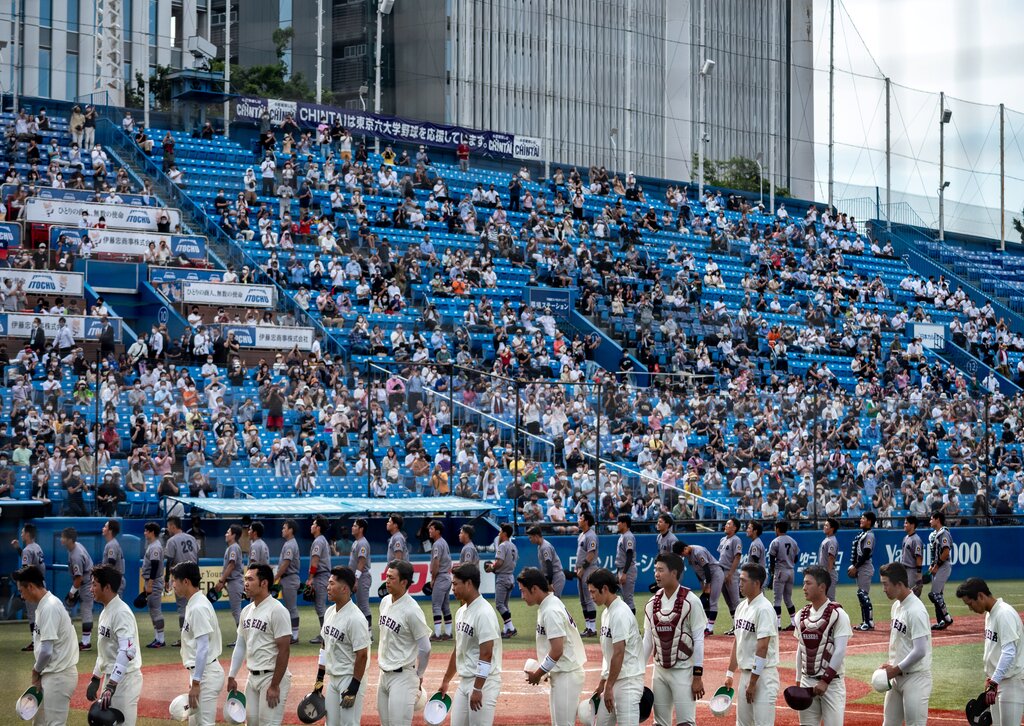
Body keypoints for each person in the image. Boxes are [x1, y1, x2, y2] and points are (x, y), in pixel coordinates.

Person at [642, 553, 707, 726]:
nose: (656, 574)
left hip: (683, 672)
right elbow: (648, 640)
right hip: (659, 672)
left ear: (674, 572)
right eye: (655, 570)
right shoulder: (652, 603)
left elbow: (699, 639)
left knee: (685, 723)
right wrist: (637, 672)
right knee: (659, 723)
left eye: (661, 570)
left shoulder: (691, 601)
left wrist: (697, 676)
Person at [518, 567, 587, 726]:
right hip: (563, 673)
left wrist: (538, 673)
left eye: (523, 591)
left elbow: (557, 650)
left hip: (567, 674)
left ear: (534, 588)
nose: (522, 596)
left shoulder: (550, 610)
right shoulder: (548, 603)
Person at [228, 564, 293, 726]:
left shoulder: (277, 610)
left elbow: (284, 650)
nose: (246, 583)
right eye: (245, 579)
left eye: (250, 579)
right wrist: (231, 675)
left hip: (272, 677)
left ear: (264, 583)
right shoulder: (246, 611)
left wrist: (275, 685)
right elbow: (241, 645)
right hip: (252, 678)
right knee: (251, 723)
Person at [438, 563, 503, 725]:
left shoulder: (484, 613)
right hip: (465, 681)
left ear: (468, 584)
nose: (452, 588)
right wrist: (446, 680)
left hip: (484, 683)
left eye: (455, 584)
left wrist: (478, 688)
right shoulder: (461, 612)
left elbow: (486, 653)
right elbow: (458, 649)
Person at [14, 564, 79, 726]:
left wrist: (36, 671)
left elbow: (46, 650)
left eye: (22, 591)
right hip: (51, 674)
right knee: (40, 723)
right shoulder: (44, 605)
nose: (21, 596)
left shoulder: (49, 607)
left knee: (54, 724)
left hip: (59, 675)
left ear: (31, 587)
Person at [956, 577, 1024, 726]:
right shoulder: (990, 614)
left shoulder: (1004, 614)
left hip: (1011, 683)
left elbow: (1009, 652)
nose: (970, 608)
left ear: (980, 595)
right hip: (997, 683)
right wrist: (991, 681)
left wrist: (994, 681)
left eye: (970, 603)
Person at [793, 565, 852, 726]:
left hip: (832, 684)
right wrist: (798, 679)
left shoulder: (838, 615)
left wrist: (825, 681)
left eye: (808, 583)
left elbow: (839, 651)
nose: (804, 588)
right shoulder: (801, 615)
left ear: (822, 587)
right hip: (807, 681)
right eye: (804, 583)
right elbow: (801, 648)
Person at [377, 559, 432, 724]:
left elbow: (425, 647)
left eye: (392, 577)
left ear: (404, 582)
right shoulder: (385, 602)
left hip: (403, 677)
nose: (387, 580)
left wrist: (419, 674)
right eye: (387, 576)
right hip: (384, 674)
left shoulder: (412, 610)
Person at [724, 563, 780, 726]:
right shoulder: (741, 607)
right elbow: (738, 641)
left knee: (762, 723)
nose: (739, 583)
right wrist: (729, 673)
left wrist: (753, 682)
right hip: (746, 675)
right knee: (743, 724)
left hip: (763, 676)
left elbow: (762, 647)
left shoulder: (764, 609)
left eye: (743, 580)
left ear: (756, 583)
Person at [171, 561, 225, 726]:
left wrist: (196, 683)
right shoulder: (194, 603)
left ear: (185, 581)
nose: (172, 584)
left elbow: (203, 647)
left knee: (205, 723)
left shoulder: (198, 607)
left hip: (206, 675)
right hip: (201, 674)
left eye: (174, 580)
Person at [87, 564, 143, 726]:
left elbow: (126, 651)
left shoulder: (121, 613)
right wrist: (96, 677)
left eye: (94, 584)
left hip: (124, 680)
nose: (91, 589)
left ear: (107, 587)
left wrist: (112, 686)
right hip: (113, 678)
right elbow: (105, 649)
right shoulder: (106, 610)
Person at [588, 568, 644, 725]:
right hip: (613, 680)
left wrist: (609, 686)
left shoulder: (620, 613)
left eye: (593, 592)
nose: (591, 596)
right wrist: (603, 681)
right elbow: (609, 653)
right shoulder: (607, 612)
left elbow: (619, 653)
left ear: (605, 589)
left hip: (627, 683)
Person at [315, 566, 371, 726]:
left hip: (350, 677)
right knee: (331, 723)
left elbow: (362, 654)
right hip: (333, 678)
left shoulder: (356, 618)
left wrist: (354, 687)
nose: (328, 587)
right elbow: (325, 645)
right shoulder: (329, 612)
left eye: (332, 583)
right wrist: (319, 679)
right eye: (328, 583)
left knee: (349, 723)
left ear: (345, 588)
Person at [878, 562, 932, 726]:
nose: (884, 589)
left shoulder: (916, 611)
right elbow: (902, 643)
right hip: (897, 679)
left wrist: (896, 668)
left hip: (916, 678)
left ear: (899, 584)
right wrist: (892, 665)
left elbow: (920, 650)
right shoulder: (897, 606)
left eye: (886, 584)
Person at [164, 515, 199, 644]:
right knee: (195, 604)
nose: (168, 529)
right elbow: (197, 558)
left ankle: (184, 638)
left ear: (173, 526)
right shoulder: (192, 538)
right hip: (193, 575)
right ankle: (196, 635)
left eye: (169, 526)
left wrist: (167, 579)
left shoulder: (172, 540)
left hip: (181, 576)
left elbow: (169, 561)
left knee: (182, 607)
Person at [678, 541, 724, 636]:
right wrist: (702, 584)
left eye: (682, 553)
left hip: (715, 574)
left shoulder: (698, 551)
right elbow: (697, 571)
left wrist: (707, 585)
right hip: (706, 577)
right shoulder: (689, 555)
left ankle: (710, 628)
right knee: (704, 601)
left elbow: (707, 568)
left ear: (685, 548)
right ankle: (706, 626)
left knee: (712, 601)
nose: (683, 555)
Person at [60, 526, 95, 649]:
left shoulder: (76, 555)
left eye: (63, 537)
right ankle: (83, 641)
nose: (61, 539)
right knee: (85, 610)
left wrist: (71, 592)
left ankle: (86, 642)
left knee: (86, 610)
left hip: (86, 583)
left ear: (70, 540)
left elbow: (79, 578)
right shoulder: (76, 546)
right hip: (85, 581)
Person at [12, 522, 44, 651]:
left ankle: (35, 642)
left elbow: (26, 570)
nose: (21, 534)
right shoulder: (37, 547)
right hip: (40, 584)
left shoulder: (27, 549)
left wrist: (21, 588)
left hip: (32, 586)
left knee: (32, 614)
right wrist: (18, 549)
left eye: (23, 532)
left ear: (28, 534)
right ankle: (40, 640)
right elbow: (29, 560)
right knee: (40, 614)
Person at [485, 523, 519, 637]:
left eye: (500, 532)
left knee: (499, 604)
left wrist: (491, 567)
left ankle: (511, 628)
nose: (499, 534)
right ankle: (506, 629)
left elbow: (499, 562)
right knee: (505, 604)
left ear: (504, 533)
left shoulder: (503, 545)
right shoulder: (513, 546)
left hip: (503, 577)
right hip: (510, 576)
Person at [768, 520, 800, 630]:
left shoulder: (775, 541)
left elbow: (772, 559)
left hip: (781, 571)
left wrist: (772, 574)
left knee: (777, 599)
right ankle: (794, 623)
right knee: (788, 599)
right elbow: (796, 558)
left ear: (777, 529)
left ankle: (777, 624)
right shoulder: (793, 541)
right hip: (791, 571)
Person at [848, 512, 877, 631]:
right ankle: (865, 621)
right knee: (861, 594)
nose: (861, 519)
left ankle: (869, 622)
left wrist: (855, 566)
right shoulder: (863, 534)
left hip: (865, 567)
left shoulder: (869, 535)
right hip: (861, 567)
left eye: (863, 518)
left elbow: (865, 554)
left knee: (863, 594)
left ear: (869, 521)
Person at [427, 519, 455, 640]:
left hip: (441, 576)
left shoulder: (437, 544)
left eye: (432, 529)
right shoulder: (443, 542)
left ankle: (437, 634)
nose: (429, 531)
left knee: (436, 606)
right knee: (445, 606)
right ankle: (448, 633)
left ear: (437, 531)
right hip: (446, 577)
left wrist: (433, 579)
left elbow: (436, 563)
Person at [307, 515, 332, 644]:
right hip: (323, 575)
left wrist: (310, 578)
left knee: (321, 607)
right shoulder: (322, 540)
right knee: (320, 607)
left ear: (318, 527)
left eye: (314, 524)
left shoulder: (318, 541)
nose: (312, 526)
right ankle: (325, 633)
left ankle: (325, 635)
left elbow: (315, 562)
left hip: (320, 575)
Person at [276, 519, 302, 642]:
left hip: (290, 578)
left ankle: (295, 635)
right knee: (289, 608)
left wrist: (275, 577)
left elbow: (286, 563)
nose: (282, 530)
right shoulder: (289, 543)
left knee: (291, 608)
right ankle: (292, 633)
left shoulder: (290, 544)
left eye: (284, 528)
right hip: (288, 578)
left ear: (290, 530)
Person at [927, 512, 954, 630]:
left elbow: (946, 552)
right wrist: (932, 564)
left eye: (932, 519)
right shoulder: (936, 534)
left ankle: (947, 618)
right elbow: (936, 553)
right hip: (938, 566)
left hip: (943, 566)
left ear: (938, 520)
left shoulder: (944, 533)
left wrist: (937, 565)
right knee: (938, 595)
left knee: (934, 594)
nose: (930, 521)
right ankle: (941, 621)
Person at [141, 522, 166, 648]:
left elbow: (155, 565)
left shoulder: (155, 546)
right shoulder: (152, 545)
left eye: (146, 531)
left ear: (152, 532)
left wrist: (150, 583)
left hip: (154, 581)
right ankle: (157, 638)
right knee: (152, 610)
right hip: (152, 581)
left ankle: (161, 639)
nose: (145, 533)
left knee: (156, 610)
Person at [717, 517, 743, 635]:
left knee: (735, 601)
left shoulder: (736, 539)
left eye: (728, 524)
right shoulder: (723, 539)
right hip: (721, 571)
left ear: (734, 528)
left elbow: (737, 557)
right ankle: (735, 625)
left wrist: (731, 574)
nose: (725, 526)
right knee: (728, 601)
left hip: (730, 572)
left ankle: (741, 626)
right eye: (726, 524)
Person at [216, 524, 245, 629]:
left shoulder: (233, 547)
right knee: (236, 611)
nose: (226, 534)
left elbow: (231, 565)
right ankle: (241, 639)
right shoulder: (232, 547)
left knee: (237, 611)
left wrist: (221, 580)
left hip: (235, 581)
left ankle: (242, 639)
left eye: (228, 532)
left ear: (233, 535)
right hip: (233, 581)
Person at [575, 512, 599, 637]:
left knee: (588, 598)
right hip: (581, 569)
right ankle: (588, 627)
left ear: (586, 521)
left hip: (589, 569)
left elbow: (591, 554)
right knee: (583, 599)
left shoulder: (591, 535)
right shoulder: (582, 535)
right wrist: (577, 567)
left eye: (581, 518)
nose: (578, 520)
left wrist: (583, 568)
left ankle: (592, 628)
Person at [348, 518, 372, 632]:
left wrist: (356, 579)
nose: (352, 528)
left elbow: (361, 562)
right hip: (356, 578)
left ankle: (369, 632)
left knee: (363, 606)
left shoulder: (362, 543)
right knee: (358, 606)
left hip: (361, 578)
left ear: (361, 529)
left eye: (355, 526)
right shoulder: (356, 542)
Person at [527, 525, 564, 597]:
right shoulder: (540, 546)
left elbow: (549, 565)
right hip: (551, 576)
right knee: (549, 601)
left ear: (536, 536)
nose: (530, 539)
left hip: (556, 576)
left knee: (554, 601)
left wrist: (550, 583)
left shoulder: (545, 547)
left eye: (530, 537)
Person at [614, 514, 638, 613]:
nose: (617, 524)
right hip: (622, 569)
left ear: (624, 524)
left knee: (628, 600)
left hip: (627, 570)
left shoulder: (628, 536)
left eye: (619, 522)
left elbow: (629, 555)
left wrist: (624, 573)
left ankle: (632, 626)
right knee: (625, 599)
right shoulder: (623, 535)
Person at [900, 516, 925, 597]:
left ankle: (920, 610)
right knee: (905, 595)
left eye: (906, 523)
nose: (904, 525)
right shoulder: (905, 538)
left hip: (912, 571)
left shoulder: (916, 539)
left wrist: (918, 574)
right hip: (904, 570)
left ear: (912, 525)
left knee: (913, 596)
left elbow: (919, 557)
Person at [818, 518, 840, 601]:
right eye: (824, 525)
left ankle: (837, 614)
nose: (824, 527)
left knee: (830, 599)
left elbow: (831, 557)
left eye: (826, 525)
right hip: (824, 572)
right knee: (824, 599)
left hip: (828, 573)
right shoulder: (827, 539)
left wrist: (828, 574)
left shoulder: (832, 541)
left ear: (832, 528)